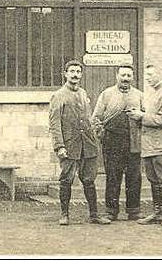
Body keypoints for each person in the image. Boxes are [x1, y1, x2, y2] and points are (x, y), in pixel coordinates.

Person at [48, 60, 110, 226]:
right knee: (66, 179)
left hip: (87, 144)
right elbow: (54, 124)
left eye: (78, 72)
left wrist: (95, 134)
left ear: (81, 75)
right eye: (72, 71)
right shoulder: (58, 96)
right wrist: (59, 146)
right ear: (65, 74)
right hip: (69, 145)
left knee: (89, 180)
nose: (75, 75)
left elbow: (88, 119)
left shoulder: (83, 93)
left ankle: (94, 215)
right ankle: (64, 214)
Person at [128, 63, 162, 227]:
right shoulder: (153, 92)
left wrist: (141, 116)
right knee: (153, 180)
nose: (147, 78)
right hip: (148, 145)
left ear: (161, 74)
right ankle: (158, 213)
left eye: (151, 74)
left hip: (161, 145)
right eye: (147, 75)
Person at [92, 65, 143, 221]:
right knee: (113, 176)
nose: (126, 78)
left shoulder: (140, 95)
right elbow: (96, 118)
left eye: (129, 75)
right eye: (123, 75)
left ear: (133, 77)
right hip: (112, 142)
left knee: (134, 177)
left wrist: (140, 116)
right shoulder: (107, 94)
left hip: (133, 141)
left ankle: (133, 210)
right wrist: (101, 135)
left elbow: (146, 116)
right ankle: (111, 211)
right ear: (117, 76)